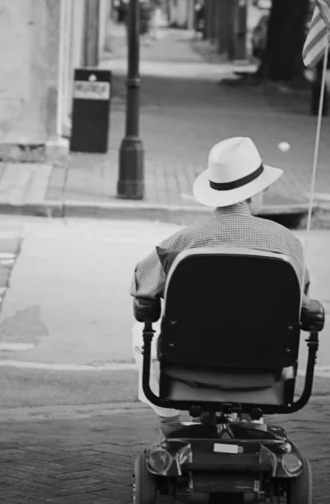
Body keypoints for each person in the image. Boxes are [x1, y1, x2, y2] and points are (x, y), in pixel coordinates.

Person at [129, 136, 310, 436]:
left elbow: (140, 286)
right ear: (254, 192)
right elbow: (302, 303)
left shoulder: (181, 242)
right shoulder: (286, 243)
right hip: (263, 360)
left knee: (141, 329)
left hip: (190, 356)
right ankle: (254, 420)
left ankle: (170, 423)